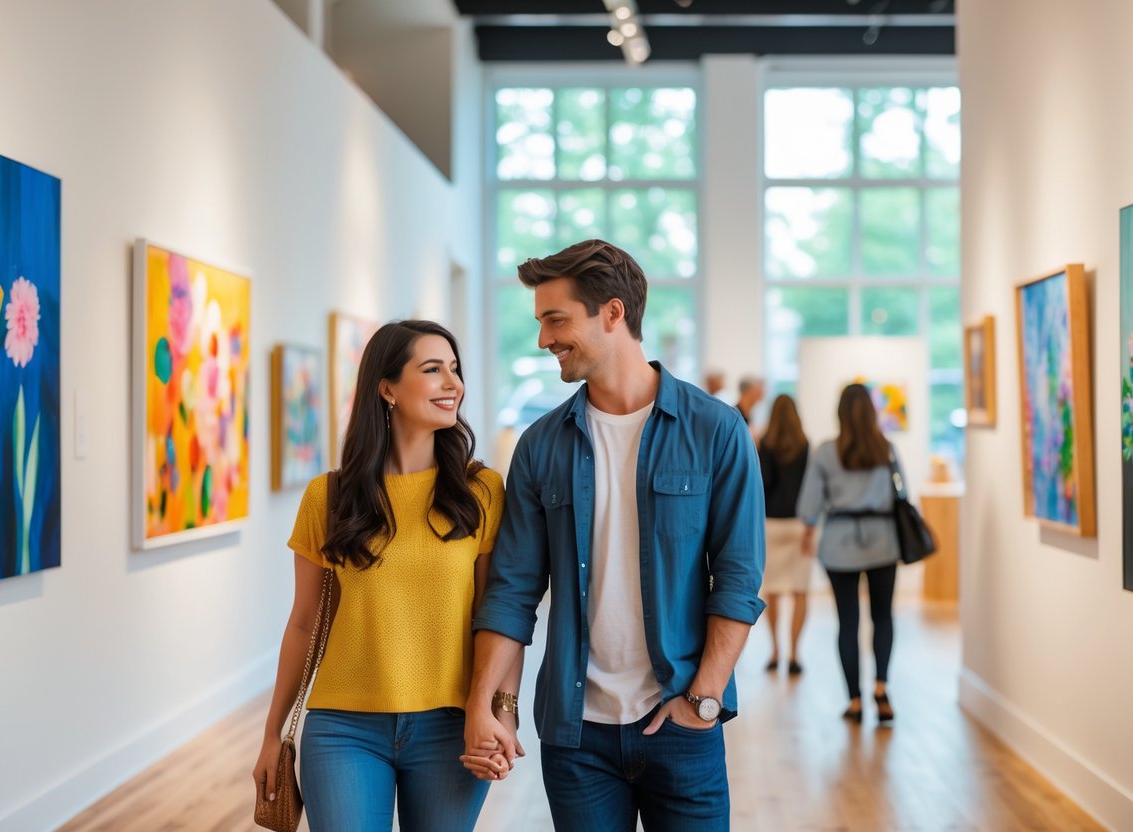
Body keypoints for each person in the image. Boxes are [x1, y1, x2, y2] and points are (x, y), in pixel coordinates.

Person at [462, 239, 766, 832]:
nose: (544, 338)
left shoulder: (715, 430)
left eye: (556, 319)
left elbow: (737, 578)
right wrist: (485, 703)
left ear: (613, 313)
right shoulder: (541, 445)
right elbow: (512, 590)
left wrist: (702, 700)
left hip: (682, 725)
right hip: (577, 740)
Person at [253, 320, 521, 832]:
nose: (453, 383)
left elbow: (499, 613)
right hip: (343, 728)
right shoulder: (326, 497)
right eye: (433, 369)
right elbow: (304, 623)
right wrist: (273, 735)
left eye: (455, 369)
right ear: (387, 388)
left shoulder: (481, 491)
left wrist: (500, 710)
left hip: (452, 725)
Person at [796, 383, 902, 725]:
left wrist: (811, 528)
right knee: (883, 617)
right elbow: (905, 494)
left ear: (839, 413)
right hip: (884, 541)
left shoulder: (827, 452)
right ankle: (882, 687)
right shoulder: (886, 448)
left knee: (848, 621)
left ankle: (855, 701)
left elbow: (808, 507)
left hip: (839, 545)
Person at [756, 394, 812, 675]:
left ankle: (775, 650)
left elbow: (763, 483)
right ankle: (795, 654)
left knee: (774, 590)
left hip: (772, 524)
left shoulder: (766, 444)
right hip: (799, 524)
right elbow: (810, 488)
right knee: (800, 590)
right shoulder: (805, 445)